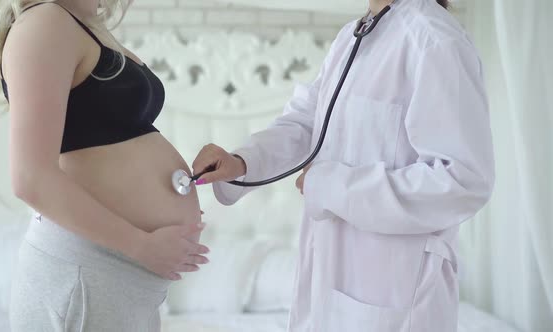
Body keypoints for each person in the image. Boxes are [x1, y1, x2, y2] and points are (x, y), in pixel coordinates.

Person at [191, 0, 495, 331]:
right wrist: (241, 162)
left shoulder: (435, 40)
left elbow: (461, 181)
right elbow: (307, 123)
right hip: (331, 292)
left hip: (396, 300)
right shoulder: (352, 37)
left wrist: (330, 186)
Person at [0, 0, 210, 330]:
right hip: (84, 274)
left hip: (115, 279)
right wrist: (142, 245)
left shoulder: (80, 22)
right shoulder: (44, 22)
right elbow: (30, 178)